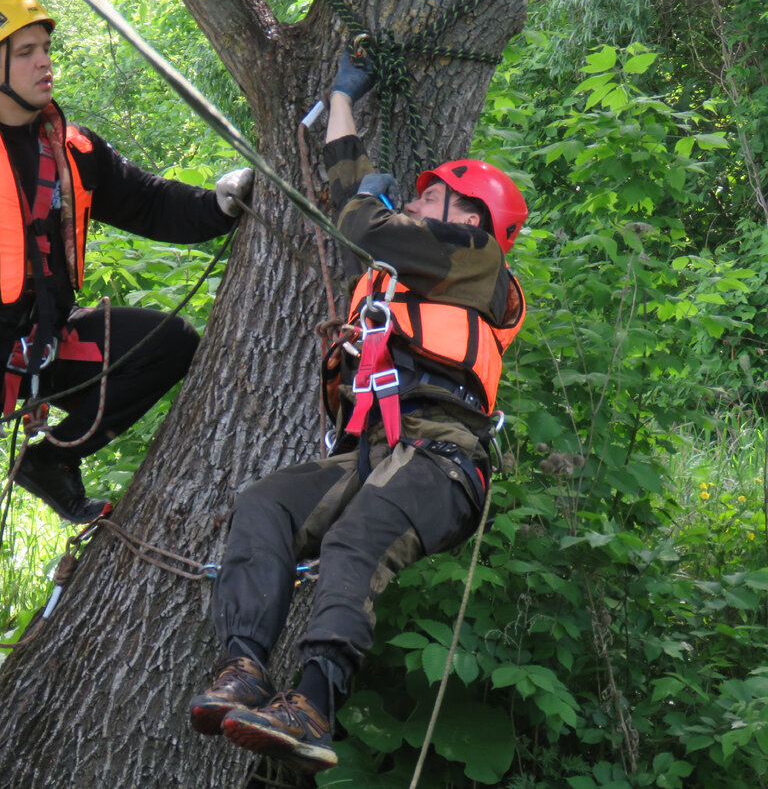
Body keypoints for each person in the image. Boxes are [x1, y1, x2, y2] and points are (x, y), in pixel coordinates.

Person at [0, 0, 251, 718]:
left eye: (46, 49)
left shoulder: (66, 145)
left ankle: (50, 460)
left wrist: (222, 204)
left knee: (167, 343)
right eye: (28, 52)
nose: (46, 64)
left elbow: (148, 201)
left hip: (41, 346)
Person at [186, 51, 527, 774]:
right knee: (265, 505)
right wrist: (342, 103)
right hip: (375, 450)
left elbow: (363, 224)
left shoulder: (475, 259)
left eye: (431, 200)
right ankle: (244, 666)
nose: (417, 205)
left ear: (471, 217)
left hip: (442, 461)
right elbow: (353, 212)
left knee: (357, 539)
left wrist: (373, 203)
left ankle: (313, 704)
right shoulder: (414, 269)